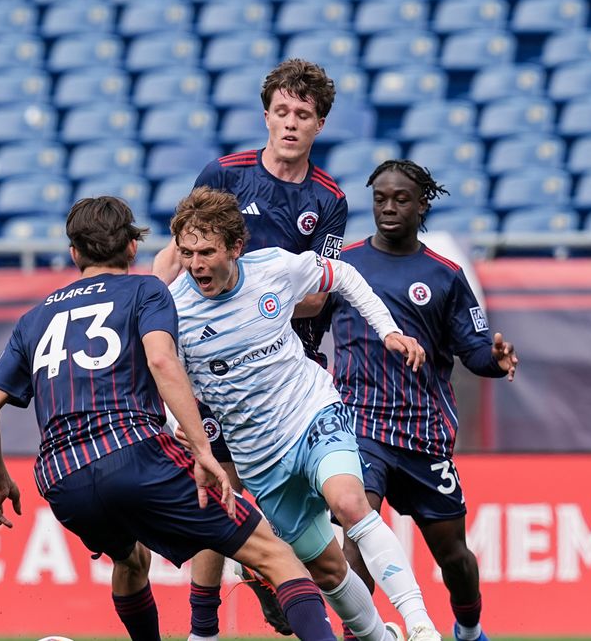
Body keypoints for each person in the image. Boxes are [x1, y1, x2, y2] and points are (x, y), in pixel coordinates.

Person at [0, 196, 338, 641]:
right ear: (131, 248)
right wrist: (202, 450)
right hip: (132, 453)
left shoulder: (33, 319)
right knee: (277, 558)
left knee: (130, 561)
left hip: (60, 477)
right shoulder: (147, 291)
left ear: (74, 254)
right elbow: (163, 362)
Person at [168, 187, 443, 641]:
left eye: (207, 252)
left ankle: (421, 625)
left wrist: (390, 331)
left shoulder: (274, 267)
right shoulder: (175, 309)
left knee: (350, 503)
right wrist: (178, 424)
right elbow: (165, 373)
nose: (196, 264)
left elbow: (345, 276)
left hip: (310, 413)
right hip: (259, 457)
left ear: (236, 248)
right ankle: (382, 638)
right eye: (187, 253)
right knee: (328, 570)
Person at [152, 58, 348, 639]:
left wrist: (258, 304)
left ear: (319, 124)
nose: (290, 123)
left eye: (303, 115)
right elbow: (176, 254)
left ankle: (273, 574)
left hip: (288, 366)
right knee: (220, 480)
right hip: (214, 362)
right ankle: (204, 627)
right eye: (282, 112)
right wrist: (145, 309)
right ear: (266, 115)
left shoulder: (328, 200)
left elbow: (320, 295)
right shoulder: (226, 173)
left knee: (310, 491)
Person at [324, 160, 519, 641]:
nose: (388, 208)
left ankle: (469, 630)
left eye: (401, 199)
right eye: (380, 199)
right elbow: (307, 324)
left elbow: (473, 350)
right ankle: (362, 635)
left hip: (422, 432)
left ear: (422, 205)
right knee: (358, 528)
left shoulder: (445, 275)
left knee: (454, 556)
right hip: (358, 424)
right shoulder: (343, 265)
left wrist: (495, 359)